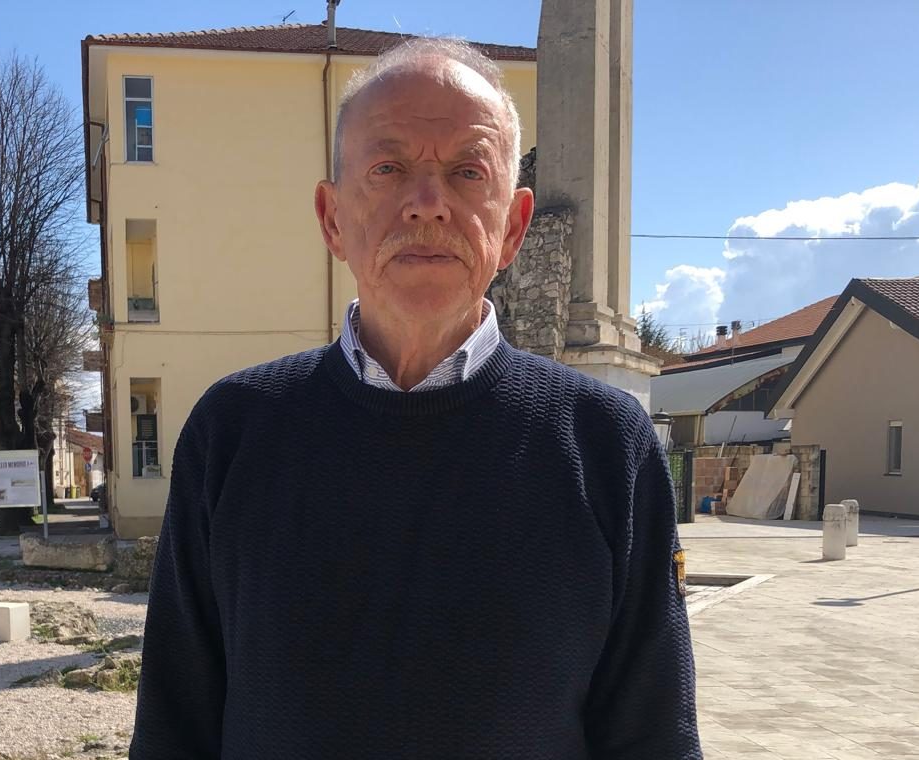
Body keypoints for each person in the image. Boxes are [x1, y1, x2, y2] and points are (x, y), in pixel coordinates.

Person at [131, 37, 700, 759]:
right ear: (332, 218)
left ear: (513, 227)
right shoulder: (232, 432)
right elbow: (173, 728)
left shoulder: (607, 446)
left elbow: (654, 738)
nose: (428, 205)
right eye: (388, 168)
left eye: (467, 172)